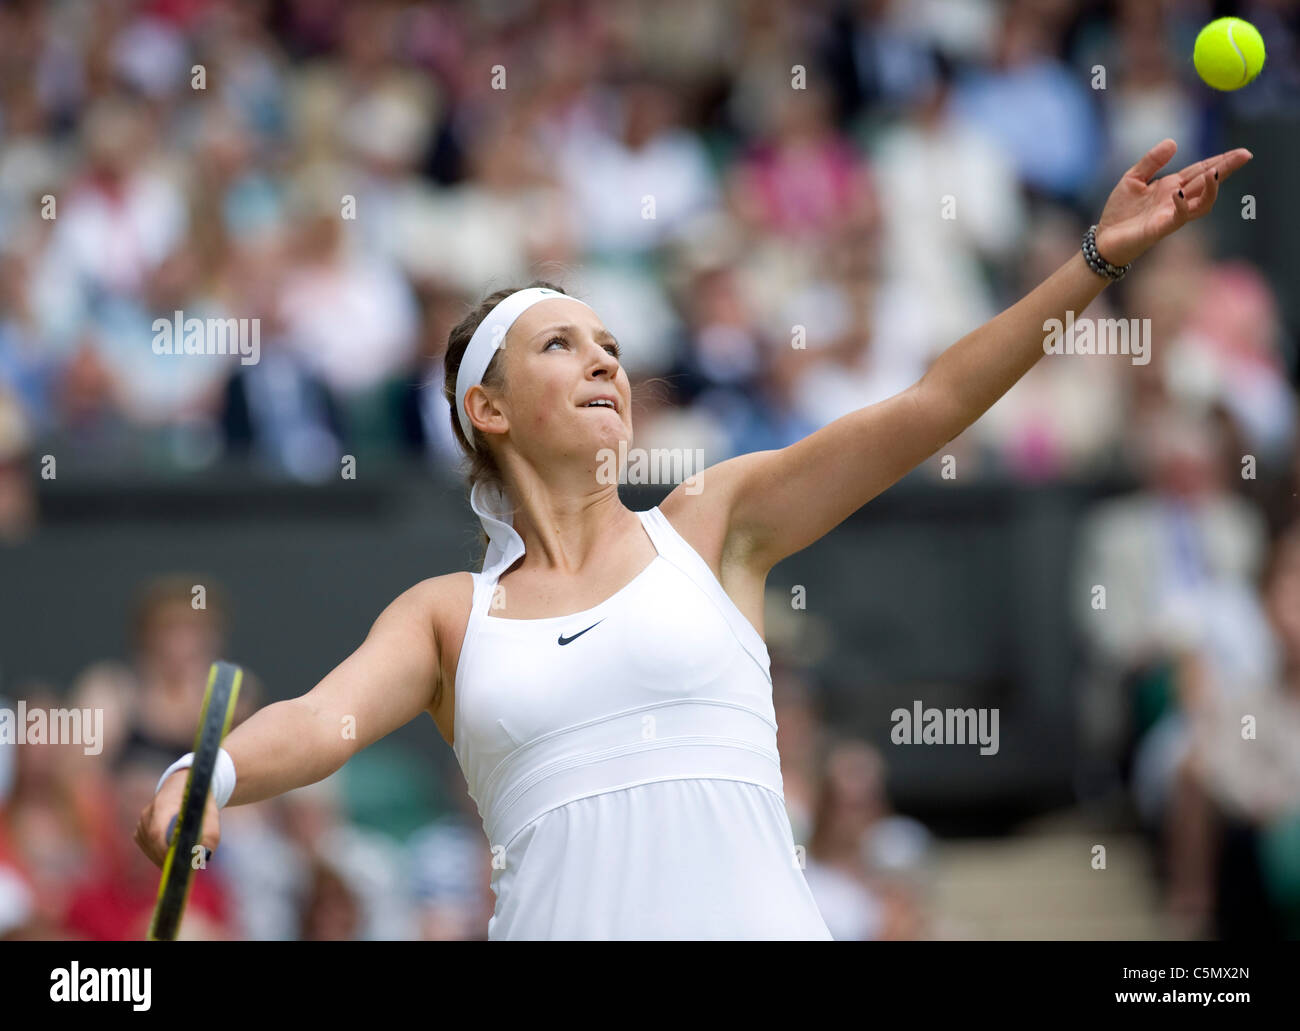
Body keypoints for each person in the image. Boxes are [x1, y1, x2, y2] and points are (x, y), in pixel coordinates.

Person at [137, 139, 1250, 939]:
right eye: (561, 345)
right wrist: (207, 772)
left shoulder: (713, 523)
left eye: (611, 343)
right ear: (488, 408)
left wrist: (1095, 262)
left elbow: (926, 405)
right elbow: (321, 721)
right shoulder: (447, 616)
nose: (605, 361)